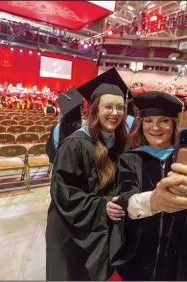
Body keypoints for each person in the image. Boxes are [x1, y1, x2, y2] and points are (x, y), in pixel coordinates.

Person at [109, 91, 187, 281]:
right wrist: (152, 202)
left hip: (181, 263)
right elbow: (125, 196)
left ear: (174, 124)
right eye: (148, 120)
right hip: (139, 260)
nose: (155, 127)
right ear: (141, 125)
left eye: (164, 120)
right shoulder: (131, 160)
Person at [46, 69, 130, 281]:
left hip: (100, 229)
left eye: (120, 107)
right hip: (72, 230)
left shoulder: (118, 143)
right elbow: (63, 193)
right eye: (108, 107)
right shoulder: (75, 145)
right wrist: (101, 206)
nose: (115, 113)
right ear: (95, 109)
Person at [46, 87, 85, 163]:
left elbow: (50, 151)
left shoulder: (56, 126)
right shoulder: (86, 127)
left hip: (58, 169)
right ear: (80, 109)